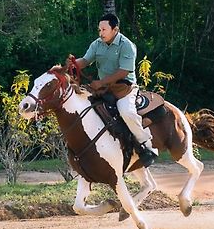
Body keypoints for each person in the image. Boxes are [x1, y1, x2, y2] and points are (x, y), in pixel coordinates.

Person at [67, 13, 158, 167]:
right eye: (99, 30)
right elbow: (86, 60)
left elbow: (124, 71)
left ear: (115, 29)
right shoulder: (97, 44)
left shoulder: (127, 45)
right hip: (103, 89)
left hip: (125, 88)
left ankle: (146, 146)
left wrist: (101, 82)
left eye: (104, 29)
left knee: (126, 112)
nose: (100, 33)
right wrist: (73, 64)